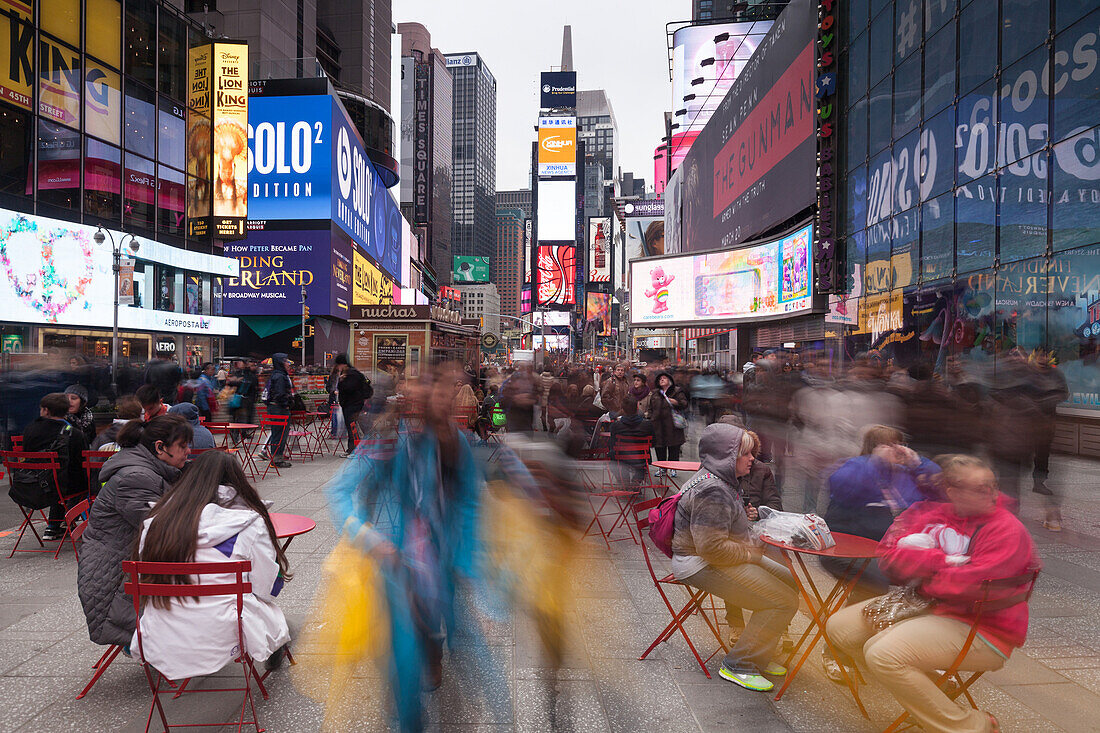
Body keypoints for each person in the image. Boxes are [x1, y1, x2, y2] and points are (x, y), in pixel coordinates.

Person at [827, 455, 1040, 733]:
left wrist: (923, 570)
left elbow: (971, 588)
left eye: (992, 485)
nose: (990, 493)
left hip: (982, 627)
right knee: (839, 628)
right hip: (927, 607)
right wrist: (940, 563)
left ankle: (974, 726)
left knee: (883, 654)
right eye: (978, 488)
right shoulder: (928, 514)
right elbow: (889, 562)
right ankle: (934, 692)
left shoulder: (1007, 529)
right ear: (953, 492)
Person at [131, 450, 291, 678]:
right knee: (271, 614)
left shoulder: (156, 522)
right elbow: (264, 587)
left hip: (162, 630)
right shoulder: (249, 523)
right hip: (224, 631)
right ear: (238, 480)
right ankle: (276, 646)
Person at [672, 422, 798, 692]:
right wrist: (751, 555)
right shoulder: (713, 491)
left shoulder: (721, 479)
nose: (752, 459)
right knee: (782, 601)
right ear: (726, 456)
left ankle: (758, 654)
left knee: (791, 581)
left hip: (723, 556)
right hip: (702, 563)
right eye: (745, 453)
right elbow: (712, 549)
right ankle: (739, 664)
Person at [77, 415, 193, 648]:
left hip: (127, 565)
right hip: (116, 581)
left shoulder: (150, 470)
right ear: (160, 448)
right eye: (182, 446)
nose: (188, 451)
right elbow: (163, 528)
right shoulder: (136, 478)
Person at [18, 393, 88, 539]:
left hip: (29, 484)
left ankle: (53, 526)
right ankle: (73, 522)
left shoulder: (30, 429)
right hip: (62, 487)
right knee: (82, 479)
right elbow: (80, 461)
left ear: (46, 410)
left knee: (56, 476)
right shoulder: (73, 433)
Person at [644, 372, 687, 475]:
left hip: (672, 424)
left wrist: (676, 403)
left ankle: (673, 468)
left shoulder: (677, 391)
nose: (662, 380)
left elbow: (684, 403)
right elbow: (650, 407)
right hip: (657, 425)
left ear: (670, 380)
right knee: (659, 447)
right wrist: (650, 417)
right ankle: (662, 468)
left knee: (673, 447)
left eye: (664, 378)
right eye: (660, 379)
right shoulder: (655, 393)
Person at [608, 394, 654, 486]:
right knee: (642, 464)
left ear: (623, 410)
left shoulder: (616, 426)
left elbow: (611, 445)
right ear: (637, 408)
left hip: (621, 460)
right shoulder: (647, 425)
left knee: (612, 460)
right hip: (641, 460)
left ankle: (624, 480)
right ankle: (636, 480)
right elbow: (652, 443)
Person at [334, 353, 370, 456]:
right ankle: (353, 448)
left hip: (352, 405)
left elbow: (349, 389)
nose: (337, 367)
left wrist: (341, 381)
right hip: (352, 404)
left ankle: (354, 449)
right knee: (352, 427)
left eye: (339, 365)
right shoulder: (353, 373)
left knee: (352, 428)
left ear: (343, 364)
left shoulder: (351, 374)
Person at [261, 353, 292, 468]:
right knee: (280, 433)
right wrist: (286, 404)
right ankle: (277, 459)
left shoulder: (277, 374)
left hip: (275, 407)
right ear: (280, 362)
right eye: (285, 361)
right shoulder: (279, 376)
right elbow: (280, 394)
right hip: (279, 408)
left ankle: (277, 457)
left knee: (277, 433)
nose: (287, 363)